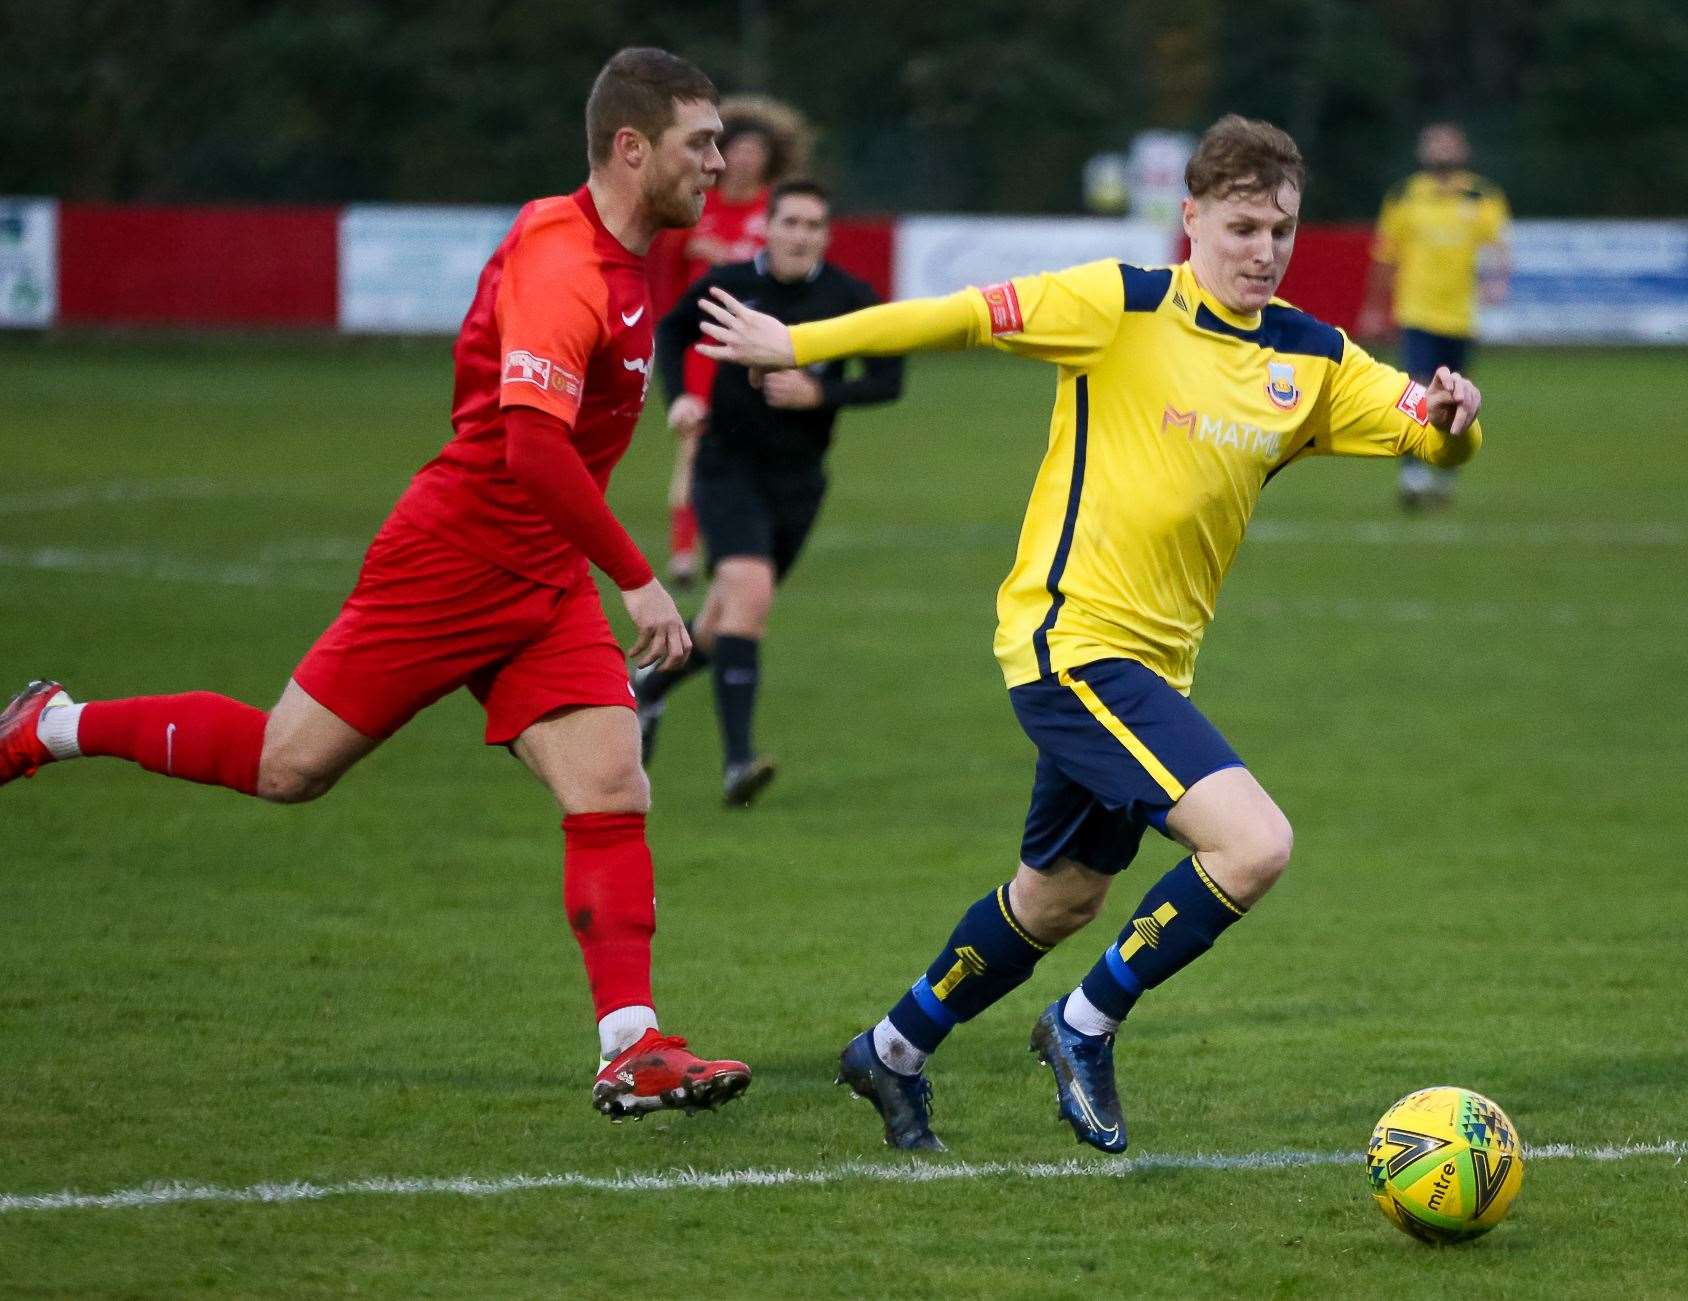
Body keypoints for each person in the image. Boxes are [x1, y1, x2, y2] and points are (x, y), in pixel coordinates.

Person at [696, 114, 1484, 1153]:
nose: (1263, 250)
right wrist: (797, 341)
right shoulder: (1118, 304)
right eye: (1242, 225)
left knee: (1059, 895)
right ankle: (1081, 1024)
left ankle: (888, 1048)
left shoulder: (1310, 355)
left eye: (1281, 230)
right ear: (1190, 219)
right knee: (1251, 843)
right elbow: (957, 315)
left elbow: (1432, 431)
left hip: (1150, 664)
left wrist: (1456, 417)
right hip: (1070, 644)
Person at [0, 47, 753, 1121]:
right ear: (631, 149)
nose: (719, 163)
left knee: (610, 785)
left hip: (535, 572)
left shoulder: (628, 256)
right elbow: (529, 446)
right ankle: (51, 723)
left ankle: (630, 1047)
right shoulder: (564, 262)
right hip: (451, 557)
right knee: (286, 764)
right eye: (700, 143)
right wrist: (638, 580)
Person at [639, 180, 904, 806]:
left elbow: (890, 381)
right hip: (726, 465)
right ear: (769, 227)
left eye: (813, 225)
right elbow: (671, 332)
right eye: (790, 222)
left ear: (825, 234)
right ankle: (738, 763)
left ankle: (645, 695)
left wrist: (822, 394)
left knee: (727, 618)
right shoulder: (730, 285)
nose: (800, 235)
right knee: (750, 597)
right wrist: (680, 396)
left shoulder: (848, 298)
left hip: (800, 480)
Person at [651, 98, 812, 589]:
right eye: (737, 149)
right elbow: (666, 279)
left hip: (758, 348)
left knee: (756, 447)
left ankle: (743, 544)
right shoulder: (694, 204)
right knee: (695, 444)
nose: (744, 159)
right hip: (706, 345)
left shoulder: (776, 213)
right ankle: (683, 553)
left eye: (755, 152)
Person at [1355, 122, 1510, 512]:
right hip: (1417, 311)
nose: (1441, 150)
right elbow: (1386, 256)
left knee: (1459, 396)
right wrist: (1375, 307)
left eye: (1448, 144)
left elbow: (1499, 248)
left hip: (1461, 315)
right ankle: (1413, 473)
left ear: (1462, 150)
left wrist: (1497, 282)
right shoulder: (1406, 195)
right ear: (1423, 152)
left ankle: (1444, 471)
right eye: (1434, 144)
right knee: (1420, 390)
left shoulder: (1481, 195)